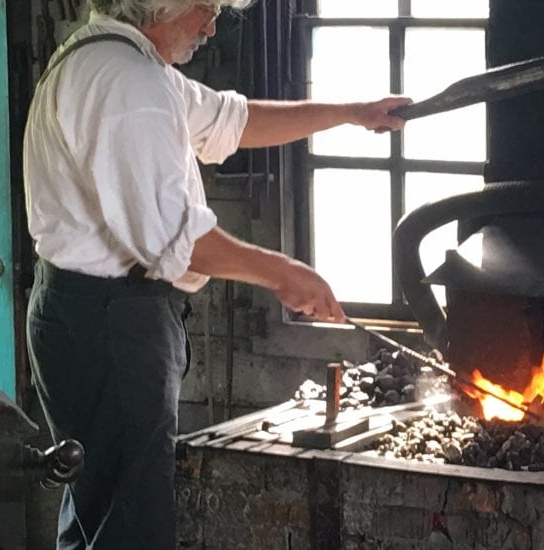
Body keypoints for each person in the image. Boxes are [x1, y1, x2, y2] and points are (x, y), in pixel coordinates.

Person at [22, 0, 410, 547]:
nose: (212, 26)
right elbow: (179, 240)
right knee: (130, 523)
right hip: (110, 323)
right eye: (205, 8)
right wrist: (282, 272)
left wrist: (352, 112)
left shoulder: (121, 60)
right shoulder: (127, 84)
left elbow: (235, 119)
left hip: (98, 313)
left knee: (100, 506)